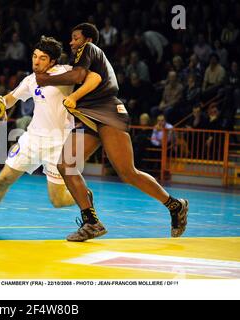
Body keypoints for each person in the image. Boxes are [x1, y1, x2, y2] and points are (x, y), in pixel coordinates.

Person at [36, 23, 189, 242]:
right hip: (88, 115)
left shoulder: (89, 50)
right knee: (65, 164)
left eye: (76, 38)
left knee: (127, 173)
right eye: (71, 39)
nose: (72, 42)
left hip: (107, 111)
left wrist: (46, 79)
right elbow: (80, 77)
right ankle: (91, 222)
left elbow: (78, 76)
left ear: (88, 40)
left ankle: (175, 205)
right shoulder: (84, 58)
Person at [0, 36, 101, 228]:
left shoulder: (66, 73)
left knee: (57, 201)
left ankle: (85, 195)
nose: (36, 61)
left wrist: (75, 96)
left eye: (42, 58)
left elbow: (94, 76)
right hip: (32, 139)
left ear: (52, 61)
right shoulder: (30, 80)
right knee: (3, 178)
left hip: (60, 144)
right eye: (34, 56)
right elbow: (10, 99)